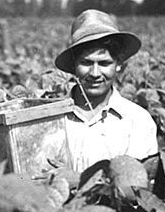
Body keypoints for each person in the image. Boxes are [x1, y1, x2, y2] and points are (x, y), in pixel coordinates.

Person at [52, 9, 158, 172]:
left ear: (118, 65)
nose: (95, 73)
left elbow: (135, 186)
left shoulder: (137, 121)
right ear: (74, 65)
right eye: (86, 63)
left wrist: (76, 181)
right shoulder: (51, 119)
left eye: (104, 63)